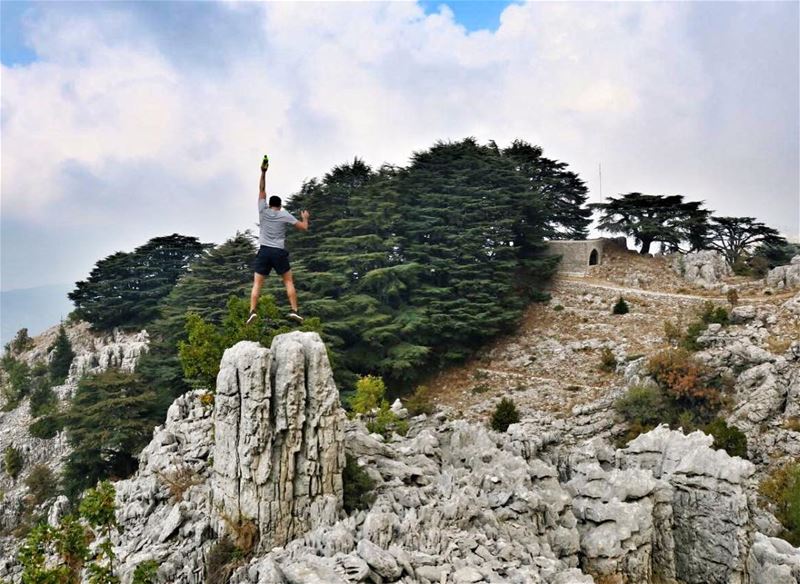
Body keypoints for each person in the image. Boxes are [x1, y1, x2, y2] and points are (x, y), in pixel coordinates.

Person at [247, 157, 310, 324]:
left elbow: (262, 188)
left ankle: (252, 311)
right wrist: (305, 218)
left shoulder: (263, 211)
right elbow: (304, 228)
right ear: (280, 206)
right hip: (279, 252)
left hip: (264, 251)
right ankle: (295, 311)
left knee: (257, 284)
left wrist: (263, 171)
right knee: (288, 281)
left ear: (268, 203)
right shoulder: (284, 214)